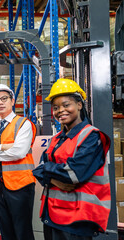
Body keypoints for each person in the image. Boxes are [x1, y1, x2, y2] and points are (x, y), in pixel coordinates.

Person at [32, 78, 111, 240]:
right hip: (52, 215)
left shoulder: (93, 137)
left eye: (66, 105)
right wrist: (55, 179)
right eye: (56, 107)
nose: (61, 110)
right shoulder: (57, 139)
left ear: (79, 105)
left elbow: (74, 175)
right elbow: (37, 168)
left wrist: (47, 170)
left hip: (77, 219)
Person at [0, 84, 36, 240]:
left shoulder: (23, 124)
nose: (0, 102)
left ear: (12, 101)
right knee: (6, 232)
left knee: (23, 232)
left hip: (21, 186)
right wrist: (3, 147)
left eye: (4, 99)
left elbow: (18, 152)